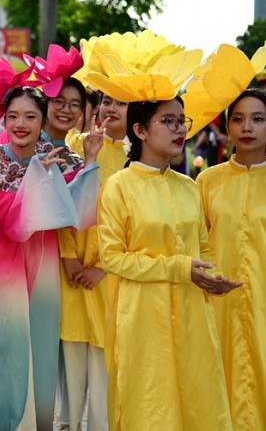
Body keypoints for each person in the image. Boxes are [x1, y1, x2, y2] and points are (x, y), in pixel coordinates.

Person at [98, 96, 241, 430]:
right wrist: (178, 267)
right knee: (151, 403)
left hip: (193, 314)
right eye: (168, 121)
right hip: (144, 317)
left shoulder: (188, 187)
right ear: (140, 130)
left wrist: (213, 277)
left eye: (182, 121)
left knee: (199, 399)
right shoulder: (119, 186)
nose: (180, 130)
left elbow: (203, 248)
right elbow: (112, 257)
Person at [0, 81, 101, 430]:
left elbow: (78, 213)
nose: (20, 123)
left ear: (42, 120)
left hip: (43, 262)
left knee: (41, 346)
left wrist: (89, 161)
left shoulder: (61, 160)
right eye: (13, 115)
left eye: (30, 116)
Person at [55, 92, 128, 431]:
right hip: (71, 274)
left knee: (105, 369)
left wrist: (105, 266)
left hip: (110, 279)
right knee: (70, 366)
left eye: (122, 103)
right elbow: (62, 204)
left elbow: (136, 226)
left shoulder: (138, 158)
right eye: (107, 101)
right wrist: (68, 256)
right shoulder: (75, 143)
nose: (111, 109)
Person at [197, 88, 266, 429]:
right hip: (217, 300)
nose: (247, 127)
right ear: (227, 126)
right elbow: (194, 242)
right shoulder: (207, 180)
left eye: (258, 119)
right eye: (237, 119)